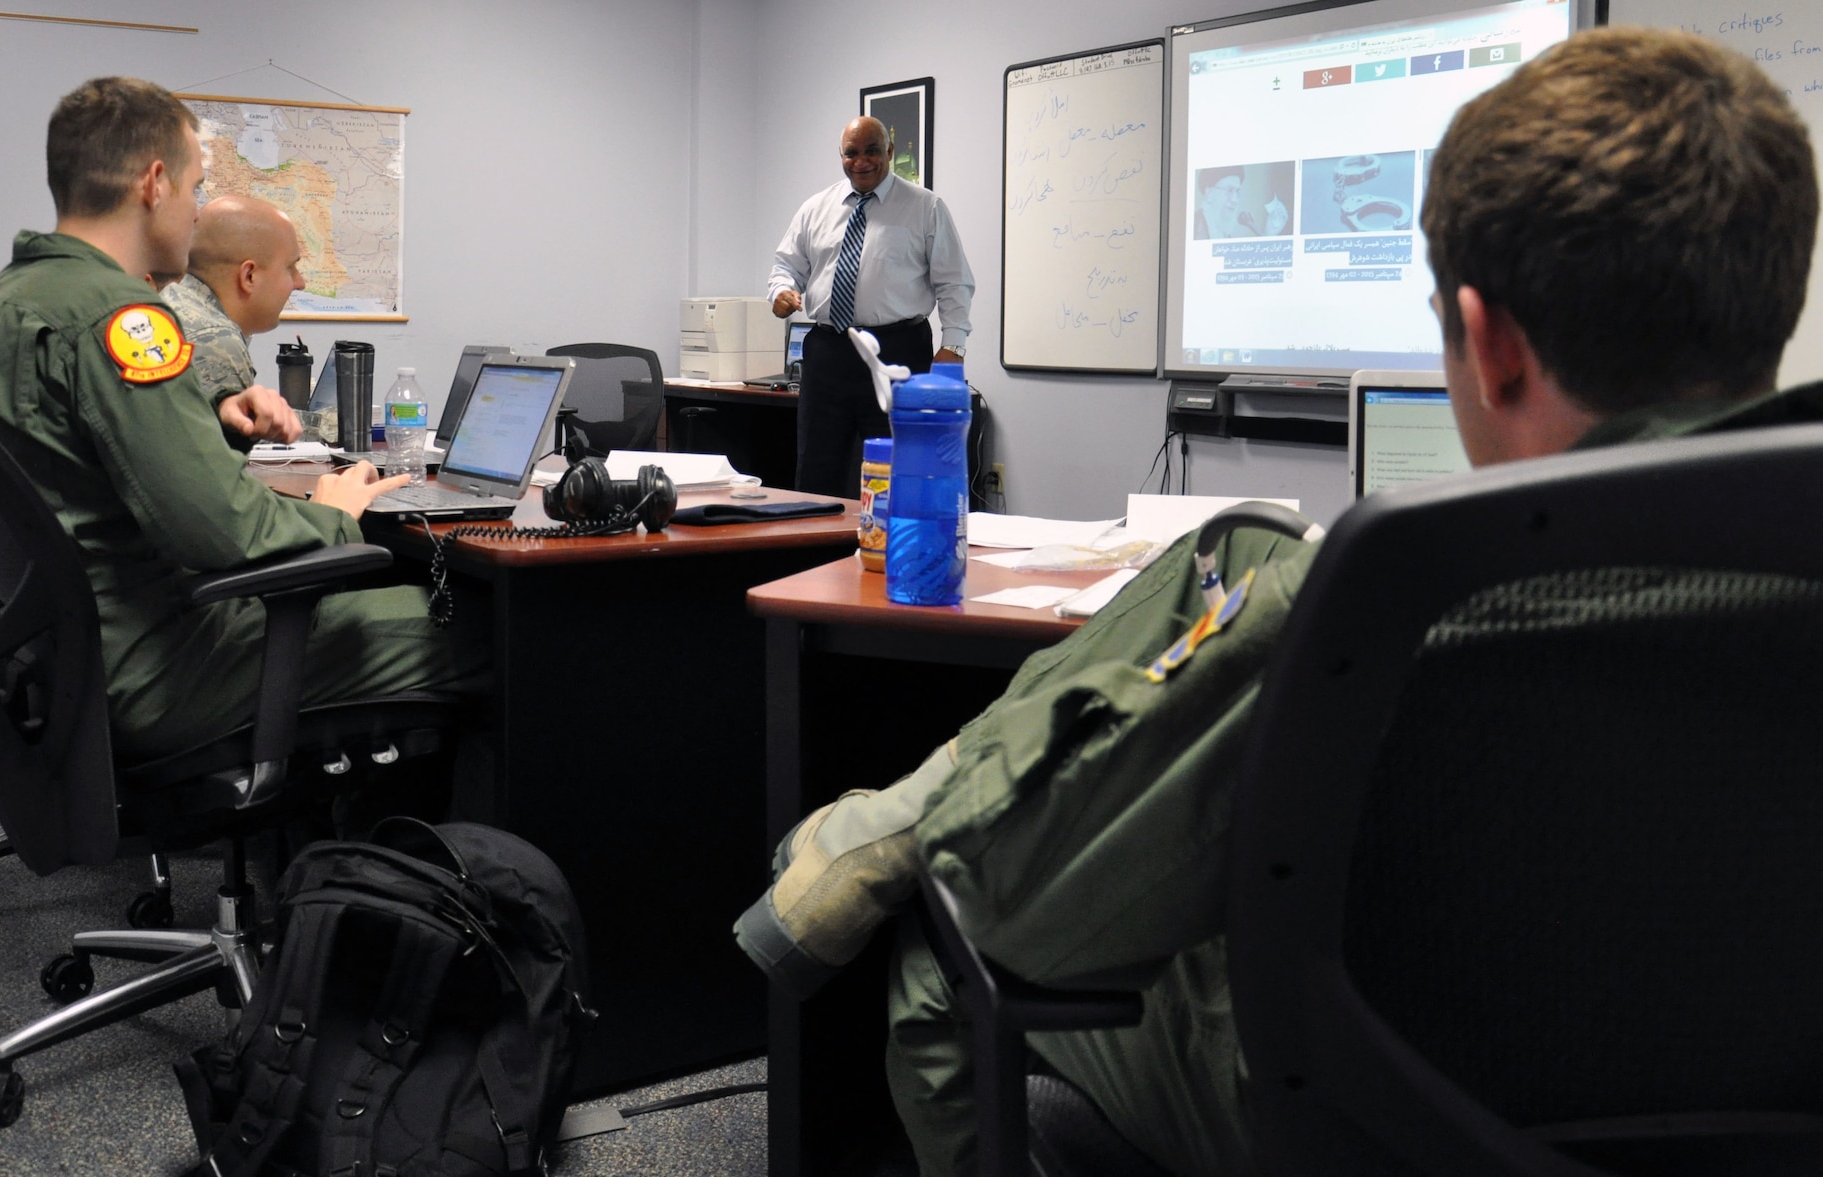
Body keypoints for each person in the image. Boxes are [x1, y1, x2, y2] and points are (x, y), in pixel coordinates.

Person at [738, 27, 1819, 1177]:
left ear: (1488, 344)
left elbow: (1016, 914)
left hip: (1376, 1129)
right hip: (1753, 1119)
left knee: (939, 932)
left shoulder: (1345, 614)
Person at [0, 76, 493, 790]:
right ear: (155, 182)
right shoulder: (121, 317)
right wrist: (331, 515)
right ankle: (444, 880)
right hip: (161, 666)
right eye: (197, 188)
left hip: (56, 661)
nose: (198, 214)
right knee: (485, 627)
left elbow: (74, 468)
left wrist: (208, 421)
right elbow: (215, 526)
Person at [768, 115, 975, 498]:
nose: (861, 161)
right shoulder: (816, 208)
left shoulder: (925, 207)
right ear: (841, 156)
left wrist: (954, 345)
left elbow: (954, 281)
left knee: (898, 470)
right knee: (818, 467)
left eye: (872, 151)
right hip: (829, 351)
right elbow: (786, 266)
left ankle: (891, 552)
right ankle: (819, 552)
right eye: (852, 153)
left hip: (898, 350)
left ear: (890, 152)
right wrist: (781, 292)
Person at [162, 194, 307, 442]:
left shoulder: (166, 301)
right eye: (290, 268)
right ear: (249, 276)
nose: (300, 283)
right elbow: (219, 477)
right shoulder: (217, 341)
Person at [1193, 165, 1288, 239]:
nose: (1234, 200)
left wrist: (1269, 235)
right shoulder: (1194, 227)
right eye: (1229, 190)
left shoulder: (1223, 234)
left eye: (1237, 191)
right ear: (1209, 194)